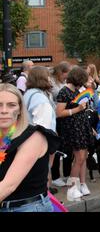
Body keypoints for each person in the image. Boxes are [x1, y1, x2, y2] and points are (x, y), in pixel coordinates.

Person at [0, 83, 60, 212]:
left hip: (28, 208)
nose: (4, 110)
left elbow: (8, 185)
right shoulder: (3, 136)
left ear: (20, 109)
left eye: (11, 105)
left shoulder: (33, 137)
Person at [55, 66, 93, 201]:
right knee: (79, 158)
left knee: (84, 157)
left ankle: (82, 184)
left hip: (82, 126)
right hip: (73, 129)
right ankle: (72, 187)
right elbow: (59, 113)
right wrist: (77, 109)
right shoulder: (64, 92)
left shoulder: (77, 91)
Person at [23, 66, 58, 194]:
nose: (51, 79)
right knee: (44, 172)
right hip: (40, 143)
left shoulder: (28, 93)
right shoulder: (39, 98)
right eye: (48, 76)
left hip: (27, 140)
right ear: (43, 78)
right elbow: (43, 127)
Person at [49, 61, 73, 188]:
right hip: (56, 117)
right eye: (66, 74)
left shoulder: (63, 82)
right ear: (61, 72)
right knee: (57, 147)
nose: (67, 77)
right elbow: (58, 96)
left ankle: (67, 174)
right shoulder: (51, 82)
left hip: (65, 118)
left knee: (67, 147)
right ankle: (55, 176)